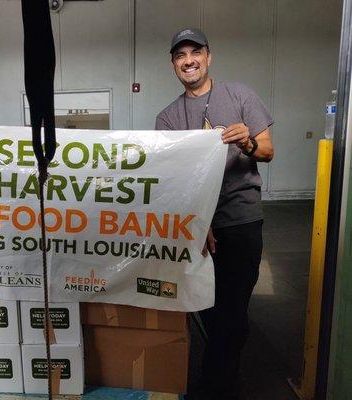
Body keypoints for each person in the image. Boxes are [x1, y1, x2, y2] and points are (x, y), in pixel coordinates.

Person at [156, 28, 274, 400]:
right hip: (197, 229)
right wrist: (197, 223)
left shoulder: (240, 96)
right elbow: (173, 179)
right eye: (180, 55)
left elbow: (268, 151)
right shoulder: (168, 118)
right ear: (174, 64)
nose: (188, 60)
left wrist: (247, 140)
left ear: (208, 56)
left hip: (241, 220)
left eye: (195, 52)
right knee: (206, 309)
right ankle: (224, 379)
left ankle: (214, 385)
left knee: (234, 311)